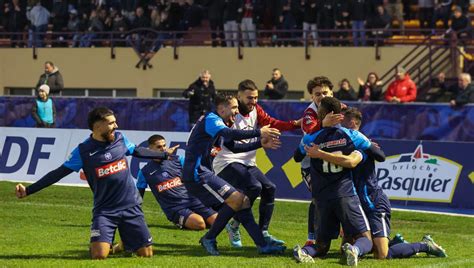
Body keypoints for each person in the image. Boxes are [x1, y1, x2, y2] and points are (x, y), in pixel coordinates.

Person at [15, 107, 178, 259]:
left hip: (131, 205)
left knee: (146, 254)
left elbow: (136, 150)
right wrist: (29, 190)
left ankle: (124, 243)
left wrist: (164, 155)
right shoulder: (83, 151)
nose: (116, 125)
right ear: (98, 126)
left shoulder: (120, 139)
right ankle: (110, 243)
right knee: (99, 255)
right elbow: (58, 174)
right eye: (112, 123)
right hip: (105, 210)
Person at [303, 107, 447, 261]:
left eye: (342, 123)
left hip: (372, 203)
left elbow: (352, 162)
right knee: (349, 247)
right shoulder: (343, 144)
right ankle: (393, 242)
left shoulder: (362, 147)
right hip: (354, 204)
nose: (339, 127)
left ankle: (424, 245)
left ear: (352, 123)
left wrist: (320, 153)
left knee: (382, 254)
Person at [181, 93, 286, 256]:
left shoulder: (218, 122)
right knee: (239, 200)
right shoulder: (211, 119)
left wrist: (260, 143)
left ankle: (262, 245)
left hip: (204, 172)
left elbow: (234, 147)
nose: (237, 111)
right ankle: (210, 238)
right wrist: (259, 132)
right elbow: (230, 135)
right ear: (221, 108)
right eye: (234, 107)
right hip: (196, 175)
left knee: (241, 202)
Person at [212, 79, 301, 248]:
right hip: (227, 161)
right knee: (254, 187)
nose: (253, 101)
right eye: (249, 98)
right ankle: (234, 226)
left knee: (270, 188)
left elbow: (272, 123)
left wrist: (295, 124)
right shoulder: (230, 113)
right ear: (239, 96)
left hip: (247, 162)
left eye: (255, 97)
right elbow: (232, 145)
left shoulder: (256, 110)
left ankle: (262, 232)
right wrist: (260, 138)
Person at [293, 97, 374, 266]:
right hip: (344, 194)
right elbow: (377, 153)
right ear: (339, 114)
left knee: (321, 246)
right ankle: (355, 250)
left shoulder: (310, 138)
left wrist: (320, 138)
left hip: (321, 197)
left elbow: (297, 157)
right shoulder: (351, 135)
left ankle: (303, 251)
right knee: (366, 239)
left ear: (322, 114)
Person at [136, 134, 217, 230]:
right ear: (149, 149)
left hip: (193, 201)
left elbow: (197, 175)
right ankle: (180, 220)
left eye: (164, 145)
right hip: (175, 208)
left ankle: (193, 219)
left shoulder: (178, 160)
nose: (163, 149)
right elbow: (139, 196)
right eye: (159, 147)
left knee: (217, 221)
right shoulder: (144, 171)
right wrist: (136, 216)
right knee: (200, 224)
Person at [299, 76, 343, 246]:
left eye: (325, 92)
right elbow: (309, 133)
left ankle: (347, 232)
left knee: (343, 196)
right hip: (311, 166)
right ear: (311, 97)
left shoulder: (339, 108)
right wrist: (323, 123)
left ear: (332, 93)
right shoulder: (309, 114)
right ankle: (311, 239)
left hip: (333, 162)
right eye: (317, 94)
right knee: (318, 197)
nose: (322, 96)